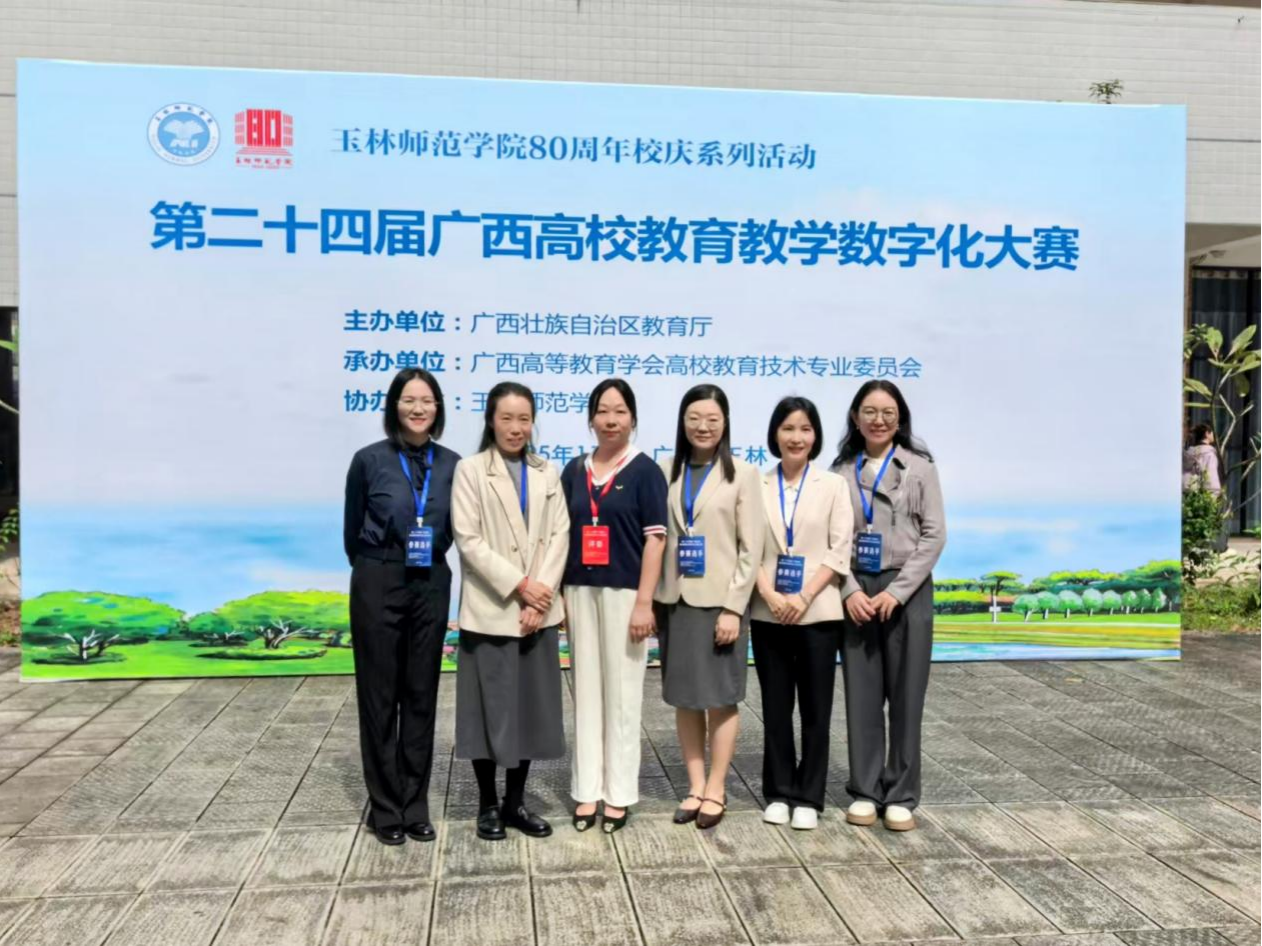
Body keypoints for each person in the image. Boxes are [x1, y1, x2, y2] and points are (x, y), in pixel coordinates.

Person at [343, 368, 459, 845]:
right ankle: (385, 807)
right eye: (409, 400)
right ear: (394, 406)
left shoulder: (453, 464)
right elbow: (351, 534)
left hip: (430, 581)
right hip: (378, 577)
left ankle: (415, 805)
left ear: (438, 408)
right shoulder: (368, 460)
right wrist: (378, 568)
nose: (418, 408)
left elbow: (460, 528)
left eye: (427, 400)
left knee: (420, 694)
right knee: (378, 695)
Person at [451, 381, 570, 841]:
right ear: (491, 420)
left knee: (529, 711)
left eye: (524, 419)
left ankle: (516, 802)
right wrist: (521, 587)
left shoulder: (547, 472)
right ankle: (487, 803)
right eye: (507, 418)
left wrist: (541, 596)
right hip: (492, 610)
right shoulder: (470, 470)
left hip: (538, 612)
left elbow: (560, 535)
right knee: (487, 711)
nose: (516, 428)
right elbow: (469, 541)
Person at [832, 380, 945, 832]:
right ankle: (864, 790)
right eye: (870, 411)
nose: (878, 420)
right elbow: (830, 541)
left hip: (907, 591)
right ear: (855, 418)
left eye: (888, 413)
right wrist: (849, 591)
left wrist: (897, 592)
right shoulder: (840, 472)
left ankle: (900, 794)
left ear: (900, 419)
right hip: (858, 590)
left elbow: (934, 535)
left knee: (906, 696)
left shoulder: (920, 468)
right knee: (861, 696)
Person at [561, 379, 668, 834]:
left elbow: (655, 541)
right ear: (591, 419)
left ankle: (619, 793)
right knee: (585, 693)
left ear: (633, 419)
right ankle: (587, 789)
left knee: (623, 696)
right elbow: (560, 535)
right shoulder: (573, 471)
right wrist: (560, 595)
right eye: (603, 411)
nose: (611, 420)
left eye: (620, 411)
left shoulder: (645, 471)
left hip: (626, 595)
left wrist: (645, 603)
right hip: (579, 591)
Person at [655, 384, 764, 830]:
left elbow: (751, 549)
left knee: (720, 698)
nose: (703, 426)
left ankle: (717, 787)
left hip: (719, 605)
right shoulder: (665, 470)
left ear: (725, 423)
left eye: (712, 419)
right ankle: (695, 785)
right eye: (694, 418)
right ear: (682, 421)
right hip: (674, 601)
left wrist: (734, 608)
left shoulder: (744, 474)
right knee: (685, 699)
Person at [751, 396, 853, 831]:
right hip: (768, 611)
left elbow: (839, 548)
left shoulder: (833, 485)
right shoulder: (755, 483)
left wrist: (805, 595)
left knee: (815, 710)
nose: (797, 437)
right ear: (775, 434)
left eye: (805, 429)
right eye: (788, 428)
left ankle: (809, 795)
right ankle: (778, 791)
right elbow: (746, 547)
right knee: (775, 709)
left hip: (818, 611)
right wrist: (770, 594)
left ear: (816, 436)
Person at [1183, 424, 1222, 493]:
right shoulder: (1209, 454)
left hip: (1185, 492)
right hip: (1202, 495)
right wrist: (1214, 493)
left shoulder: (1188, 454)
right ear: (1207, 433)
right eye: (1212, 433)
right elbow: (1211, 478)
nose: (1213, 435)